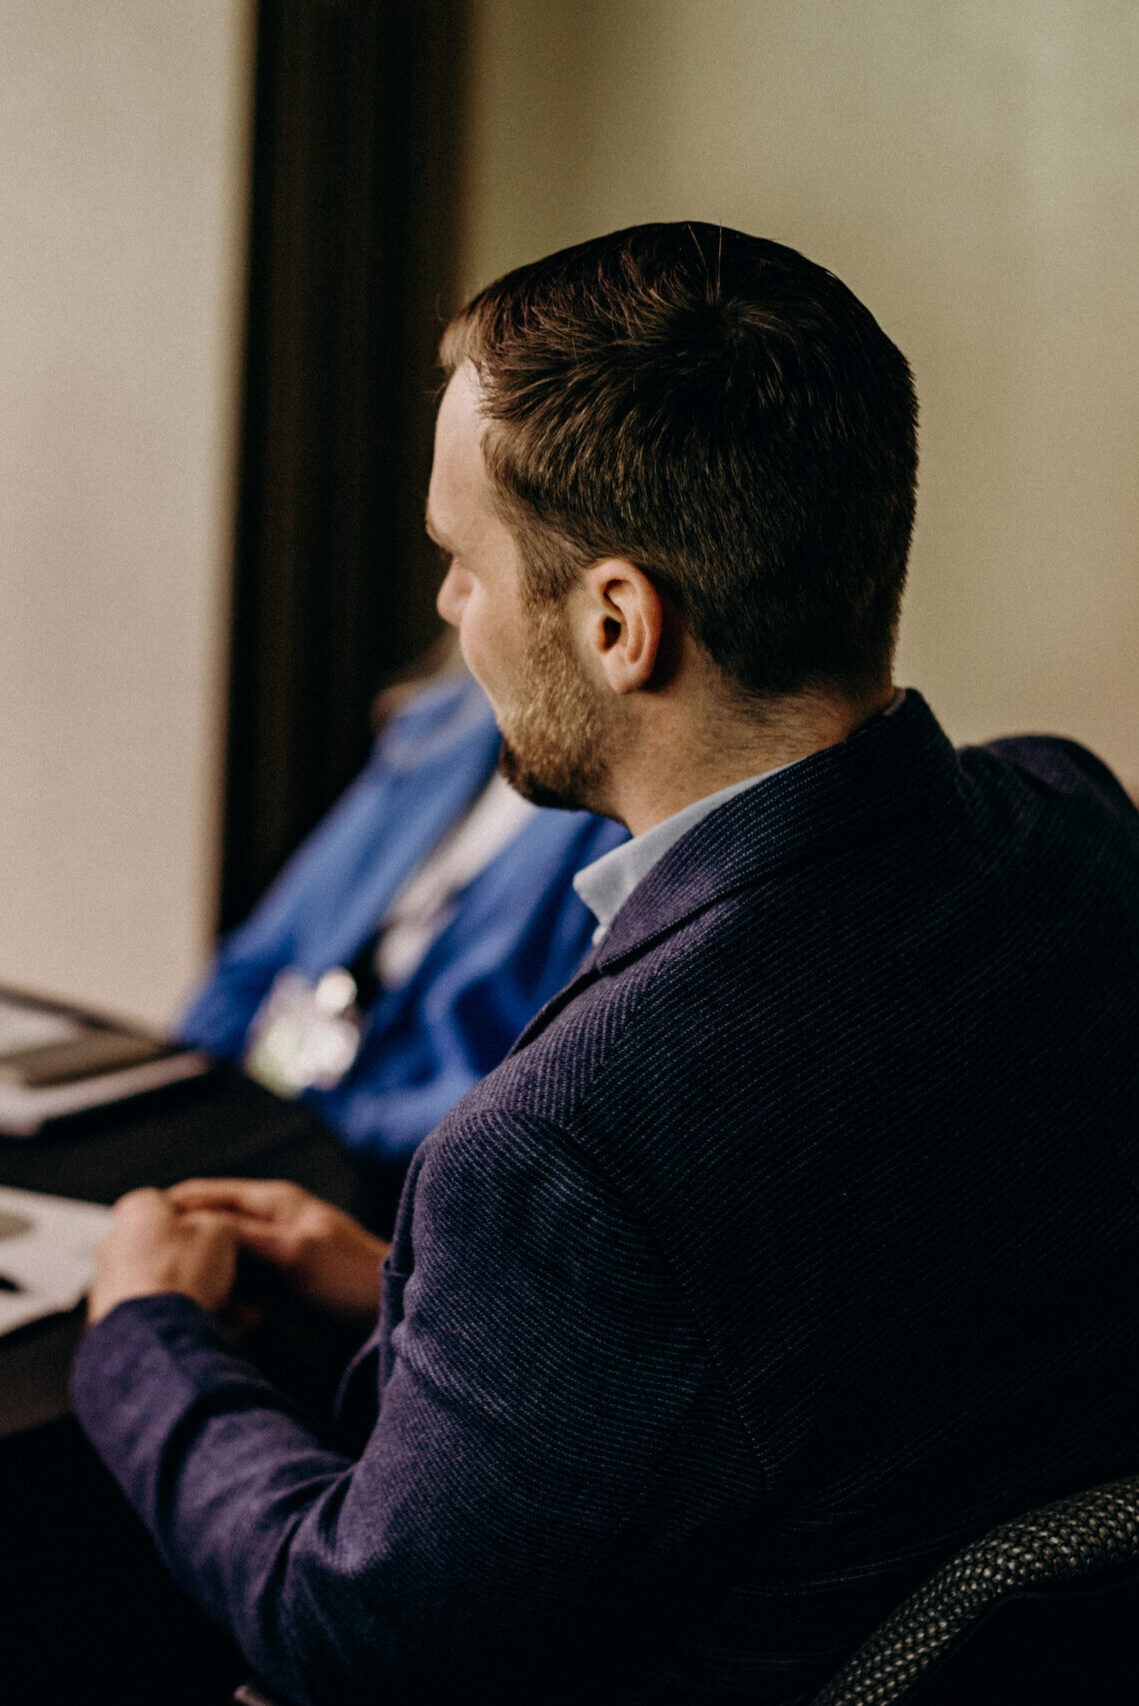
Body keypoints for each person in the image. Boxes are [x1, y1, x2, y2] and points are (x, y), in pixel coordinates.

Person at [73, 224, 1139, 1705]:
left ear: (617, 622)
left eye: (462, 565)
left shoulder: (567, 1149)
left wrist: (144, 1334)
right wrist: (408, 1291)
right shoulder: (1069, 821)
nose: (450, 611)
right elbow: (824, 1330)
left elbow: (352, 1631)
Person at [177, 662, 625, 1223]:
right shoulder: (440, 724)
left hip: (409, 1199)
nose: (448, 600)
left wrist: (322, 1119)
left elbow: (531, 1105)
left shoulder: (627, 814)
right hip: (265, 1121)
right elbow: (252, 962)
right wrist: (192, 1099)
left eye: (474, 573)